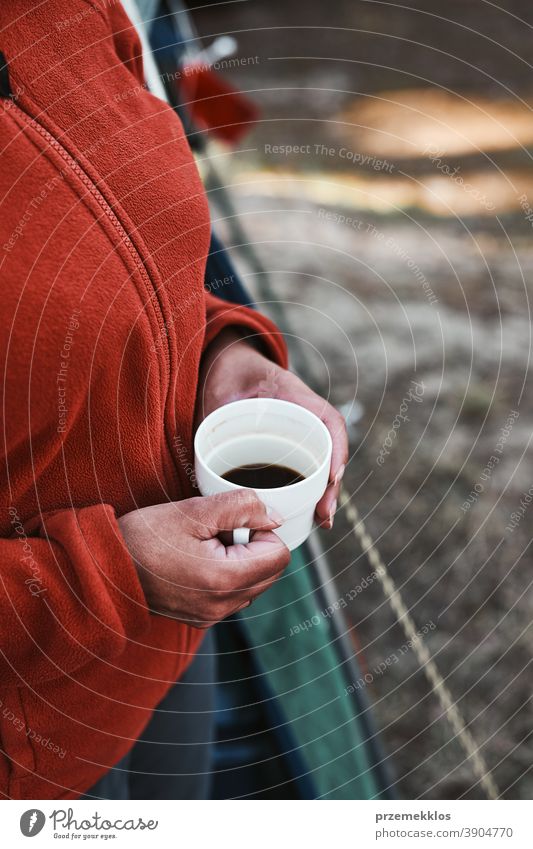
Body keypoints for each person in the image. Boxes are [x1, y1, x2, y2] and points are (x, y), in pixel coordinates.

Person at [0, 0, 347, 799]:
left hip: (160, 650)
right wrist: (106, 577)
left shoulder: (70, 13)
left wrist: (226, 353)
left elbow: (132, 255)